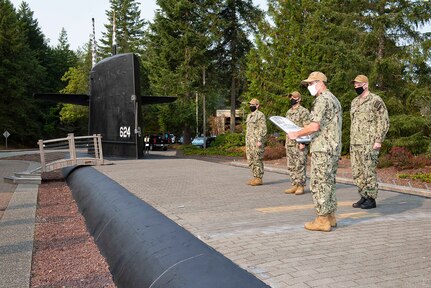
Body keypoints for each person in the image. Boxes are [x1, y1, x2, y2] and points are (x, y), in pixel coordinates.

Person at [288, 71, 342, 232]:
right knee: (329, 182)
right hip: (332, 147)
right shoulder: (334, 99)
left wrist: (296, 134)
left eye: (311, 84)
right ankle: (331, 216)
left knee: (319, 182)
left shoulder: (322, 100)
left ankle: (322, 219)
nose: (309, 87)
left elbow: (314, 126)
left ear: (320, 82)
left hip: (323, 147)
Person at [350, 75, 390, 209]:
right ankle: (364, 195)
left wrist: (378, 140)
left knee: (368, 170)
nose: (356, 86)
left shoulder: (375, 100)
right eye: (355, 84)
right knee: (357, 171)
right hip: (356, 142)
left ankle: (371, 198)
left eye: (358, 84)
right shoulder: (354, 102)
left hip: (369, 142)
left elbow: (383, 121)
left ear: (366, 85)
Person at [284, 91, 310, 195]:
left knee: (300, 164)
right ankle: (294, 184)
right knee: (291, 165)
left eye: (293, 97)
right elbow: (286, 127)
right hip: (290, 142)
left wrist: (303, 142)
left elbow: (307, 128)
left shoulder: (304, 111)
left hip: (299, 143)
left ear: (298, 99)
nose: (291, 99)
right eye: (290, 97)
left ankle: (300, 186)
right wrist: (285, 143)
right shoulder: (288, 112)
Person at [245, 98, 267, 186]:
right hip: (249, 142)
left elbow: (263, 128)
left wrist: (260, 140)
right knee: (251, 159)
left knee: (257, 159)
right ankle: (255, 176)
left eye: (252, 105)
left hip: (256, 141)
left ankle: (259, 178)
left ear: (257, 105)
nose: (251, 106)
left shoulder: (260, 115)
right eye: (250, 105)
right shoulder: (249, 115)